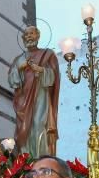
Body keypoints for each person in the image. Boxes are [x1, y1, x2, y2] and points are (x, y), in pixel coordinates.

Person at [8, 26, 61, 157]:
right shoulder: (18, 59)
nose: (28, 36)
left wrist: (42, 70)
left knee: (38, 125)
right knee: (26, 129)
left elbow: (54, 78)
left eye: (31, 33)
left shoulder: (48, 54)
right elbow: (12, 80)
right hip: (23, 100)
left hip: (40, 95)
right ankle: (26, 160)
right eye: (26, 35)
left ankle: (41, 159)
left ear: (37, 36)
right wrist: (20, 68)